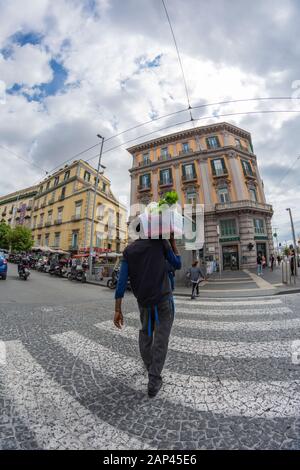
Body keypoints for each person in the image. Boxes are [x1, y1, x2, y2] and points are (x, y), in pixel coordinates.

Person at [114, 233, 181, 398]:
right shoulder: (161, 243)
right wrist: (172, 241)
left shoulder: (129, 251)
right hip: (164, 300)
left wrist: (118, 309)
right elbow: (177, 264)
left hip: (144, 302)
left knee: (145, 333)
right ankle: (154, 379)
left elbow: (121, 281)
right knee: (161, 338)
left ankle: (150, 365)